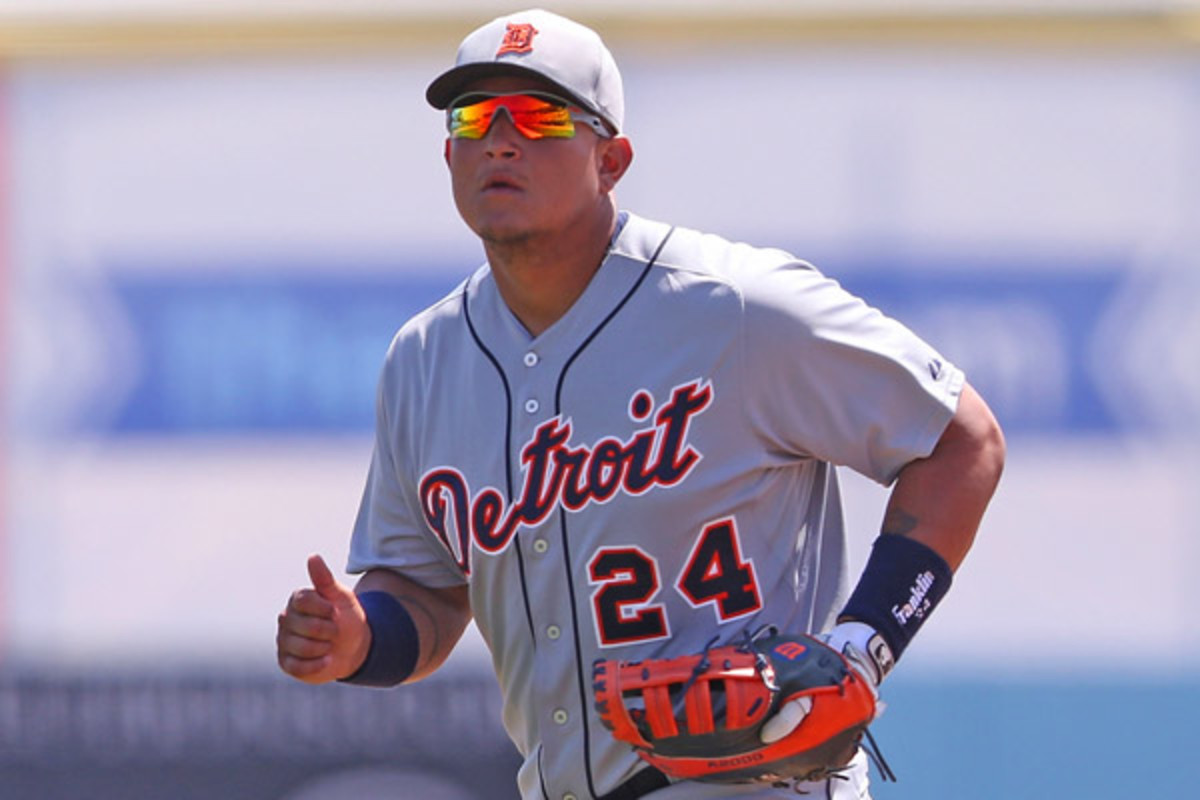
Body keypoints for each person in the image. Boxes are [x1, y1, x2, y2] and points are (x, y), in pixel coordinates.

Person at [275, 9, 1005, 800]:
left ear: (611, 158)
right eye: (476, 116)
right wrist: (359, 639)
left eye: (541, 115)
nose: (502, 139)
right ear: (448, 152)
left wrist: (864, 645)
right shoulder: (425, 360)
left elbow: (961, 438)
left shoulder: (732, 306)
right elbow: (426, 593)